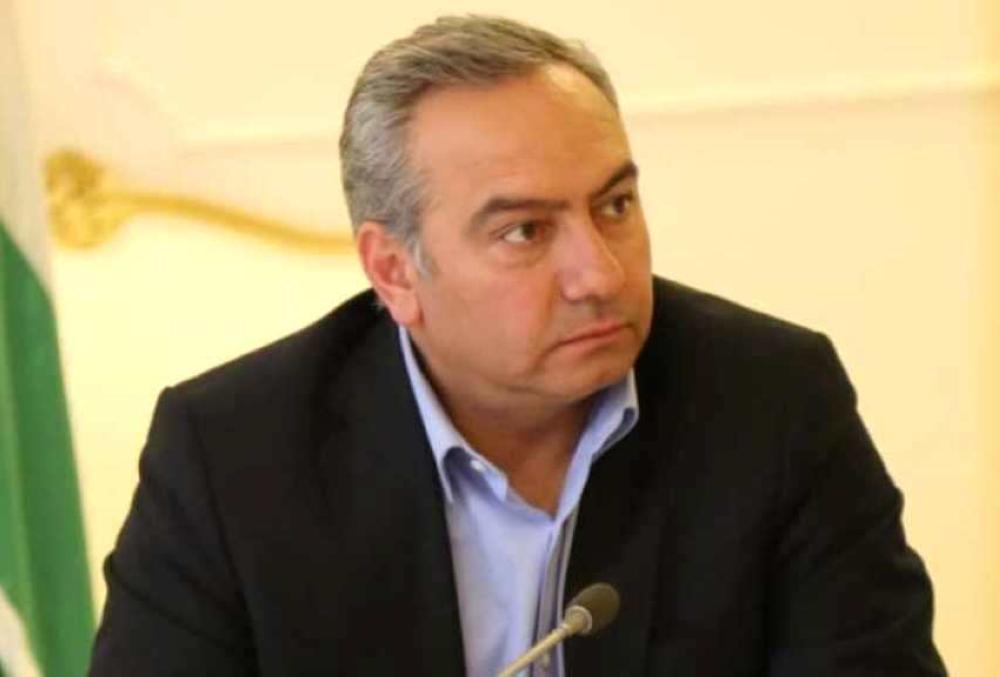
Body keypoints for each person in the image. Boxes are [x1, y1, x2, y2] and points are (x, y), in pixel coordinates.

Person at [89, 15, 946, 676]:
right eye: (525, 231)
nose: (599, 273)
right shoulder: (232, 455)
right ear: (393, 271)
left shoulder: (774, 403)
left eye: (614, 206)